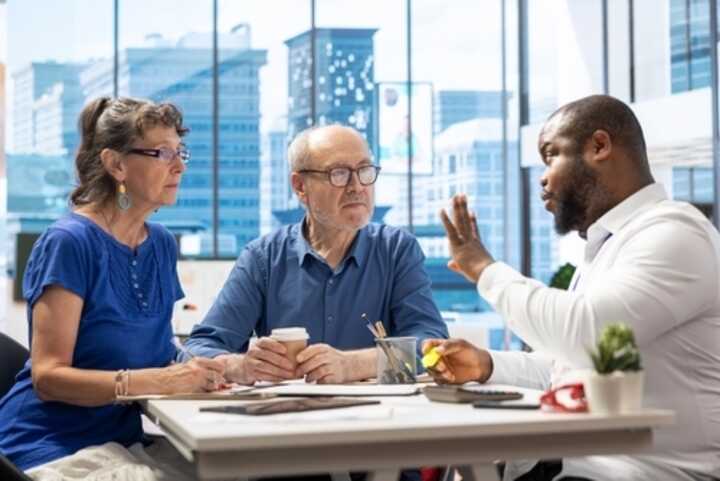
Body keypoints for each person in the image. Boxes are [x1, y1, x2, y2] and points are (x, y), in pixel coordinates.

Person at [424, 95, 720, 481]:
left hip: (647, 472)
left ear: (600, 146)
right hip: (580, 466)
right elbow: (568, 367)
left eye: (551, 156)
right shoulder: (610, 245)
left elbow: (588, 333)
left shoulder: (676, 233)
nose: (542, 178)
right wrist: (488, 365)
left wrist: (485, 269)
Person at [0, 97, 225, 478]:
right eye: (163, 152)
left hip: (121, 442)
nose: (180, 165)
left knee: (227, 471)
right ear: (116, 164)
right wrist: (155, 381)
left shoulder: (161, 244)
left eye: (180, 151)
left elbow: (157, 351)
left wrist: (216, 369)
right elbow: (48, 378)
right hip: (48, 445)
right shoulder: (69, 242)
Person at [185, 124, 448, 385]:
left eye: (365, 170)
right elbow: (199, 347)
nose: (357, 186)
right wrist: (238, 365)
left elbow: (433, 348)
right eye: (339, 173)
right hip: (287, 420)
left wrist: (353, 365)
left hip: (382, 417)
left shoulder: (397, 250)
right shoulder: (263, 258)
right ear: (300, 186)